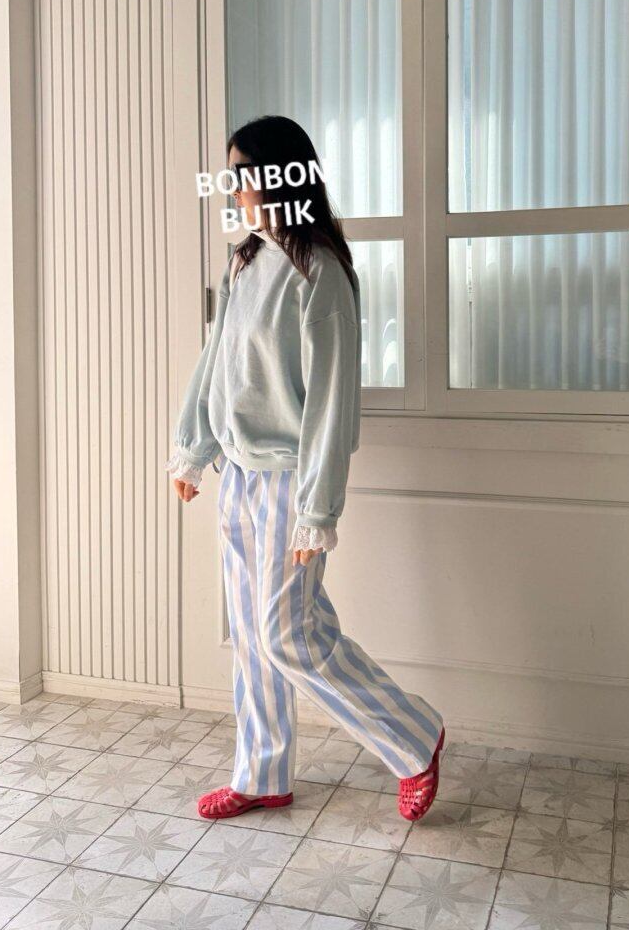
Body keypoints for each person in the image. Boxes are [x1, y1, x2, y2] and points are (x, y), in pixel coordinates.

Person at [164, 115, 445, 822]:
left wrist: (317, 510)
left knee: (288, 632)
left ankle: (414, 737)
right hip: (239, 475)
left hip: (291, 479)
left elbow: (331, 402)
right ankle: (262, 773)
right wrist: (194, 448)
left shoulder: (320, 272)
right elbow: (216, 362)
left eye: (243, 176)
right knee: (251, 634)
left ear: (284, 177)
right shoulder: (244, 262)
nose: (233, 189)